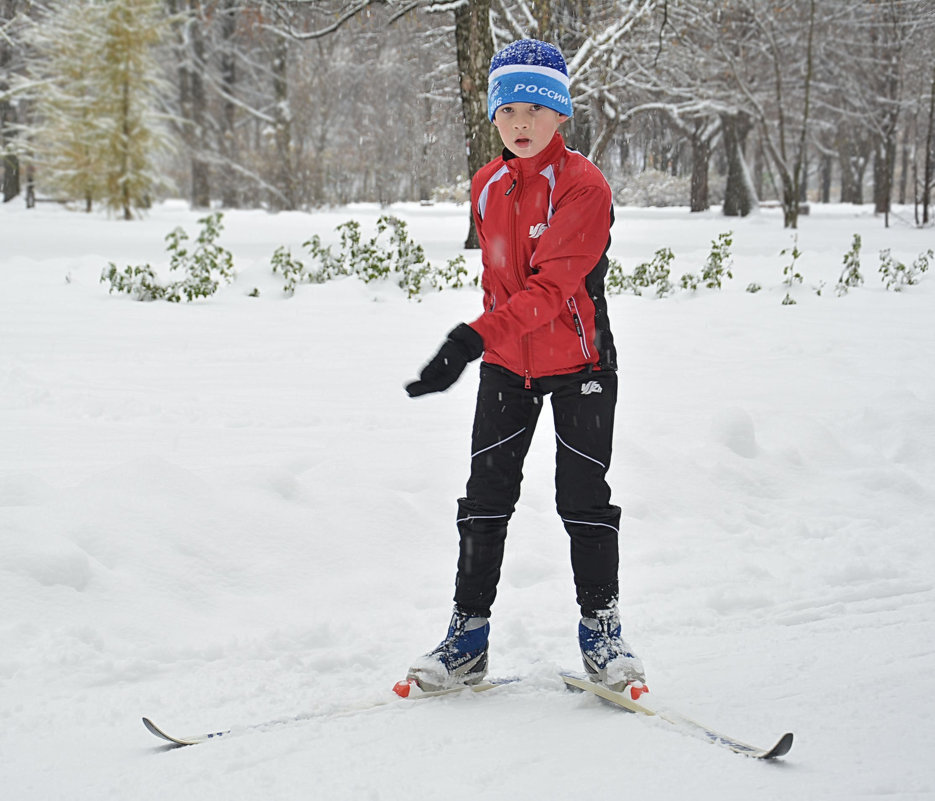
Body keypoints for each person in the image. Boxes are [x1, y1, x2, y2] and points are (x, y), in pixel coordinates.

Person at [404, 39, 643, 693]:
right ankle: (467, 639)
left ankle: (602, 635)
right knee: (483, 500)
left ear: (560, 114)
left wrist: (464, 340)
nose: (520, 121)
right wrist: (485, 341)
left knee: (583, 500)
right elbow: (499, 284)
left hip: (580, 363)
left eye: (535, 107)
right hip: (509, 365)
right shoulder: (487, 185)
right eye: (507, 107)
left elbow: (548, 292)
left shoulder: (584, 188)